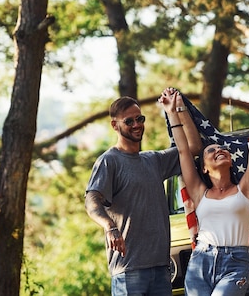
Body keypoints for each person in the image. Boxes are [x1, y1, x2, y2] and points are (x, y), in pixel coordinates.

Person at [160, 69, 249, 296]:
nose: (219, 150)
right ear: (203, 167)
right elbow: (183, 152)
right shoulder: (199, 192)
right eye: (211, 150)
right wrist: (173, 113)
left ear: (231, 161)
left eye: (222, 149)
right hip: (200, 260)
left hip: (235, 263)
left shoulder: (246, 189)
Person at [85, 93, 202, 296]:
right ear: (115, 125)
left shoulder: (153, 160)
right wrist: (110, 227)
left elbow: (194, 147)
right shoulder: (109, 161)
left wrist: (177, 110)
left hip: (161, 269)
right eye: (128, 121)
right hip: (129, 271)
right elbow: (91, 201)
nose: (136, 124)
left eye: (140, 119)